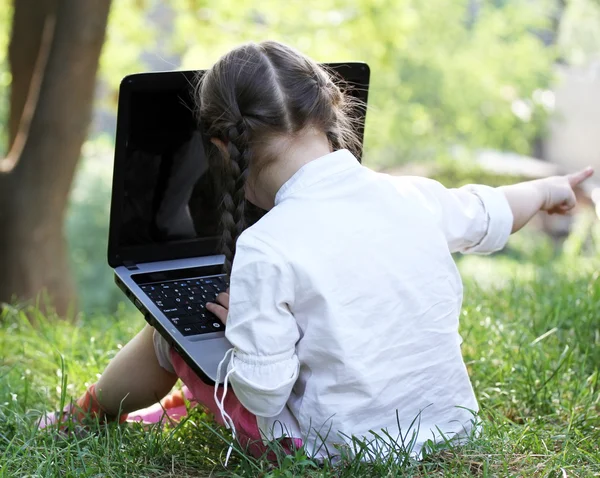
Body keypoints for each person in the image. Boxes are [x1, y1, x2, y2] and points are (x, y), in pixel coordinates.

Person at [39, 41, 593, 462]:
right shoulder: (412, 194)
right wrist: (548, 191)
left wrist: (246, 333)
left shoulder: (267, 245)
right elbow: (490, 210)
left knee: (166, 337)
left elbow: (264, 391)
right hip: (446, 428)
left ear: (222, 148)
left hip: (330, 448)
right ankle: (180, 402)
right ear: (331, 108)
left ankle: (84, 414)